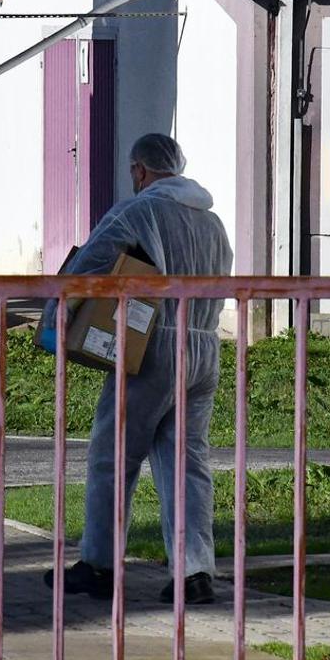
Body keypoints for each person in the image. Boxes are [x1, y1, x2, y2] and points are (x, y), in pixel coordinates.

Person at [42, 132, 233, 605]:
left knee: (114, 454)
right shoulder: (213, 223)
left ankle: (100, 563)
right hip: (205, 348)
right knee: (188, 462)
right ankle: (195, 572)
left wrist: (57, 317)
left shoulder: (140, 211)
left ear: (139, 171)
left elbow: (92, 261)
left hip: (152, 347)